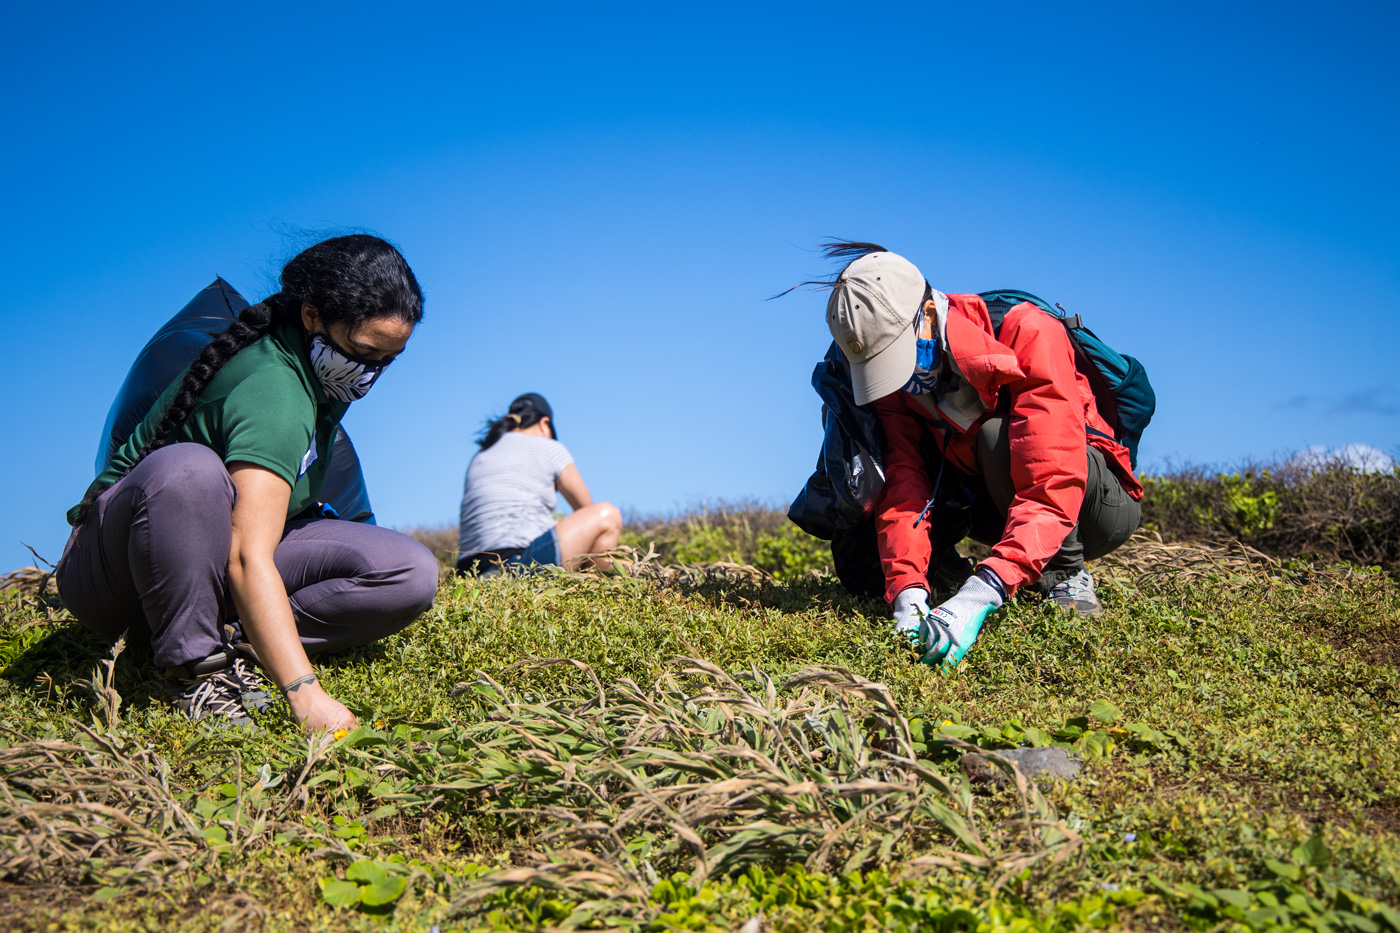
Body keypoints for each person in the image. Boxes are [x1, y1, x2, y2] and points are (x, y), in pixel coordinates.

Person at [56, 235, 439, 730]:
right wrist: (304, 694)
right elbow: (243, 555)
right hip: (115, 575)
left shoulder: (324, 370)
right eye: (364, 351)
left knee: (406, 570)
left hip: (210, 565)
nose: (370, 372)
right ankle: (196, 671)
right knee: (190, 470)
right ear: (311, 316)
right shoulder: (274, 390)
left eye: (388, 358)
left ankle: (234, 636)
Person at [818, 242, 1143, 667]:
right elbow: (904, 480)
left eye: (893, 359)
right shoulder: (901, 389)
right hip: (996, 502)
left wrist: (982, 592)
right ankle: (952, 571)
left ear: (929, 316)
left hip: (1091, 505)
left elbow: (1052, 479)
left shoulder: (1029, 330)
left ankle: (1066, 574)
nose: (896, 380)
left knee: (995, 436)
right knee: (865, 531)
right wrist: (907, 590)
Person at [456, 393, 622, 575]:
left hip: (469, 573)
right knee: (607, 516)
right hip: (518, 564)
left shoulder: (480, 456)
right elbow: (585, 508)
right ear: (544, 424)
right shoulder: (549, 447)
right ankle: (595, 595)